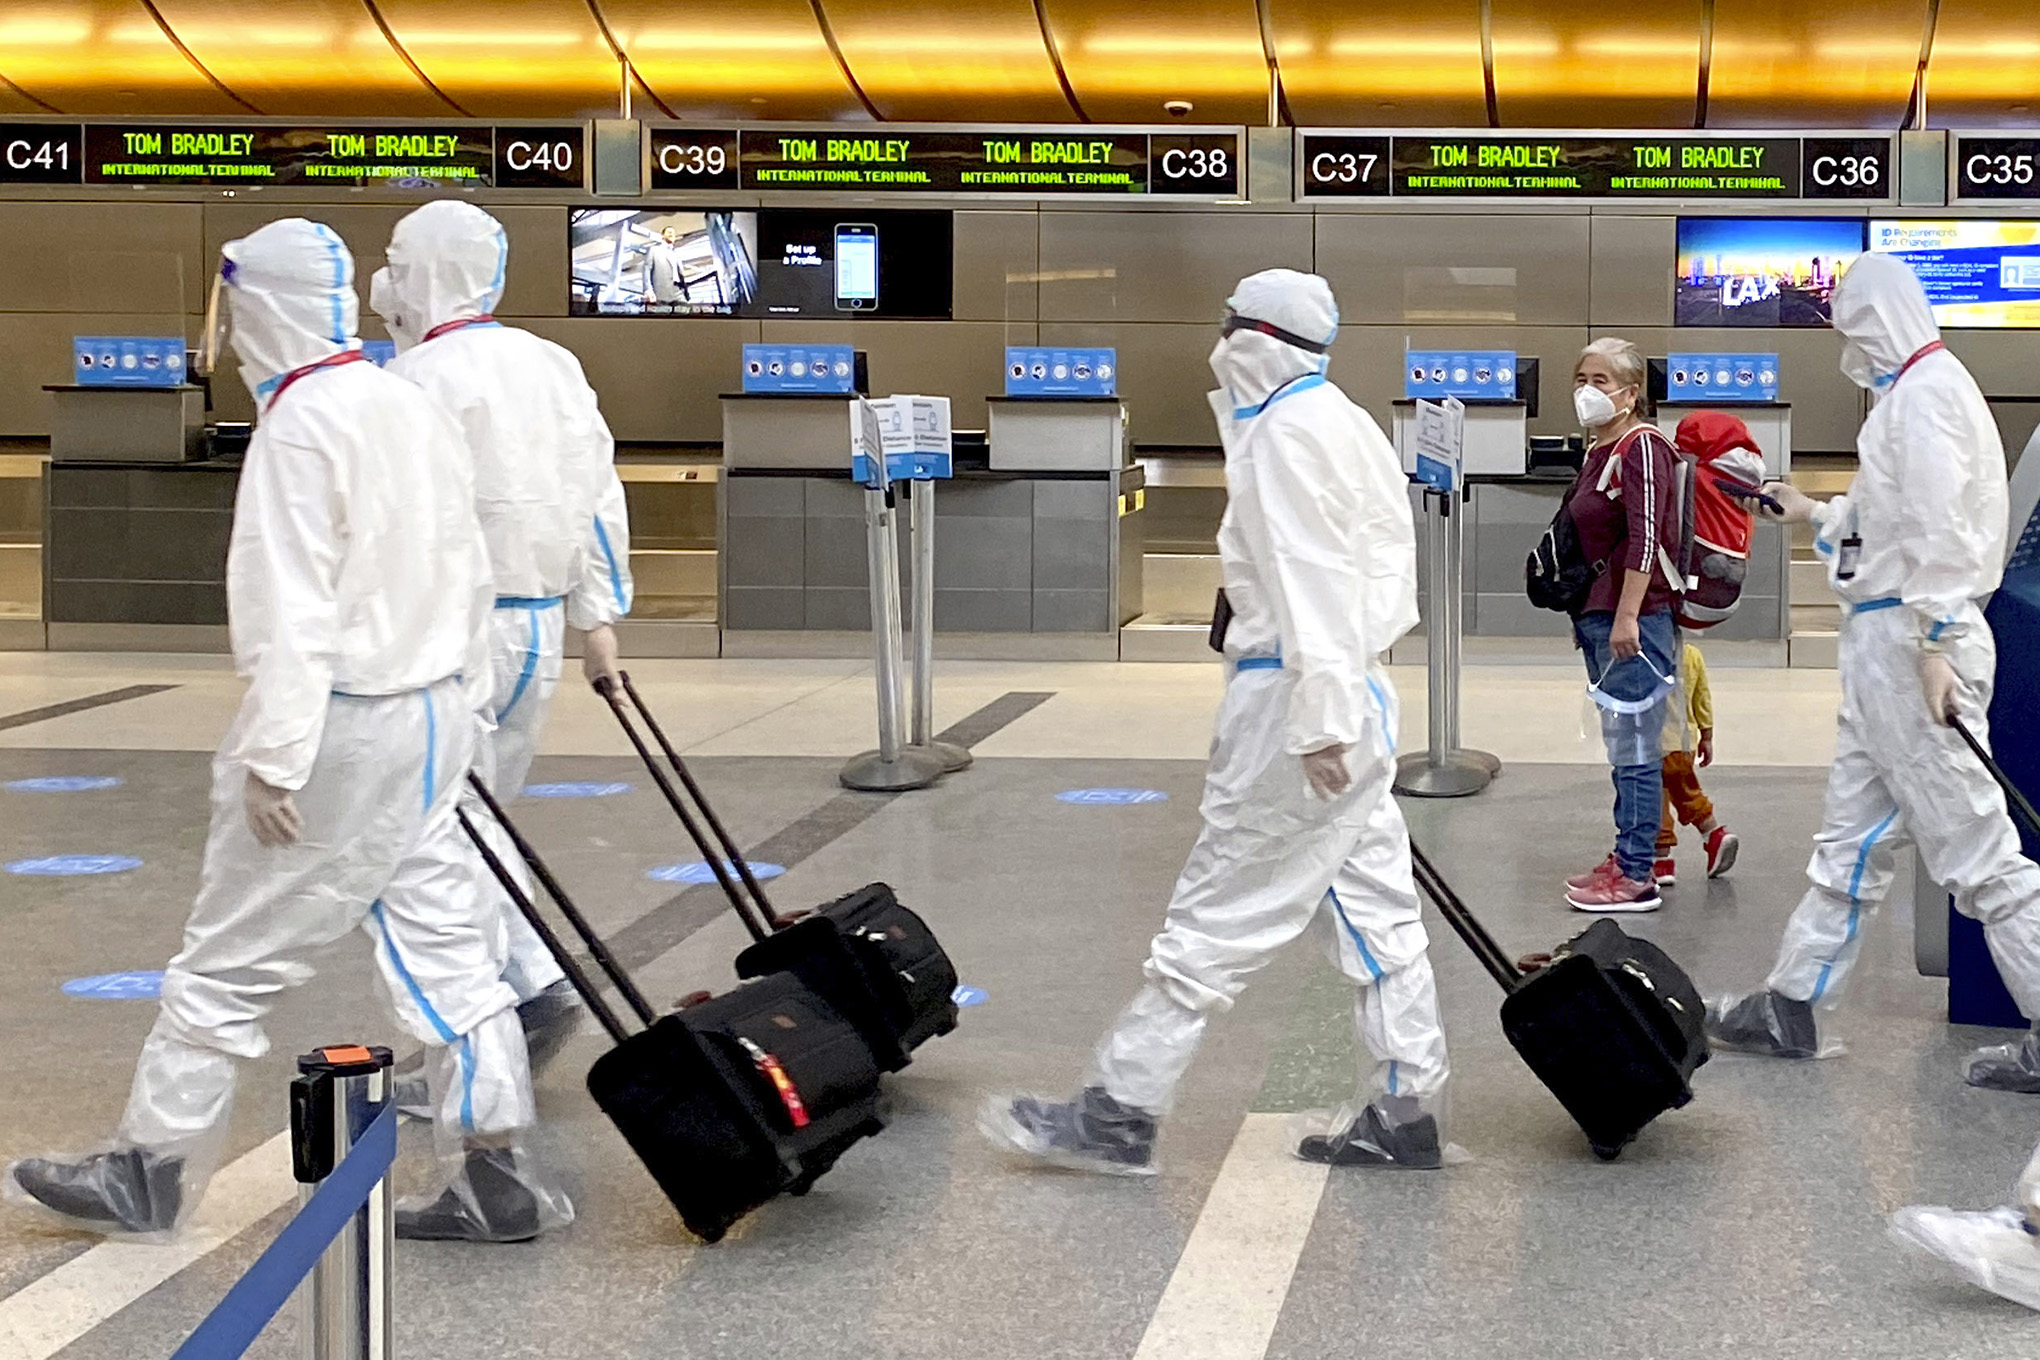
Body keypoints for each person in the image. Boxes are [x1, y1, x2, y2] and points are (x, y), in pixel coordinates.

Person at [4, 220, 569, 1241]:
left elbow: (291, 612)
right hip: (438, 718)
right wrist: (470, 707)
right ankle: (498, 1172)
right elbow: (472, 568)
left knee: (228, 955)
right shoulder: (407, 400)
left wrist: (273, 755)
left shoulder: (302, 425)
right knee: (450, 951)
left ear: (255, 308)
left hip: (343, 729)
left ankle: (153, 1164)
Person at [979, 269, 1449, 1174]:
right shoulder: (1345, 420)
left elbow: (1312, 578)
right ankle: (1407, 1108)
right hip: (1358, 693)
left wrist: (1318, 721)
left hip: (1299, 702)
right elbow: (1382, 571)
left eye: (1229, 326)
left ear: (1254, 340)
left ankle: (1120, 1109)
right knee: (1379, 915)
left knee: (1217, 912)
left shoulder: (1284, 433)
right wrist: (1343, 707)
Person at [1704, 252, 2040, 1079]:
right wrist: (1812, 510)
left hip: (1915, 649)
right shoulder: (1915, 395)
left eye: (1849, 325)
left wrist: (1932, 642)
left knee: (1978, 852)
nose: (1846, 345)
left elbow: (1941, 535)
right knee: (1851, 842)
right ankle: (1793, 1002)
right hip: (1888, 649)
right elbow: (1888, 518)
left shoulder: (1925, 400)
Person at [369, 200, 633, 1117]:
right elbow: (596, 490)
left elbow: (393, 524)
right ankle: (522, 992)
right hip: (537, 633)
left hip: (453, 638)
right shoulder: (549, 363)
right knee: (483, 823)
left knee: (437, 832)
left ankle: (507, 1005)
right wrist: (599, 620)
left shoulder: (415, 379)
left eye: (396, 262)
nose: (385, 282)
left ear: (427, 270)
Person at [1560, 338, 1683, 913]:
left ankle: (1636, 874)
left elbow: (1647, 533)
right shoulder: (1598, 449)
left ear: (1632, 394)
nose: (1588, 389)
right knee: (1623, 745)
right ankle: (1634, 853)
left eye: (1601, 380)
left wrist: (1628, 614)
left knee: (1636, 747)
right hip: (1600, 616)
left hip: (1631, 620)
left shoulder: (1643, 447)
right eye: (1582, 377)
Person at [1654, 640, 1738, 888]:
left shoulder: (1650, 648)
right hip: (1684, 742)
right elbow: (1702, 697)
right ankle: (1666, 858)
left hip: (1657, 743)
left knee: (1669, 798)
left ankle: (1709, 833)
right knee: (1675, 792)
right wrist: (1707, 735)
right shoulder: (1692, 654)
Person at [642, 225, 685, 305]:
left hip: (678, 292)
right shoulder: (654, 250)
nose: (671, 233)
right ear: (663, 236)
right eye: (669, 232)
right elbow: (646, 270)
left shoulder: (676, 255)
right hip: (662, 292)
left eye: (673, 233)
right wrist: (648, 290)